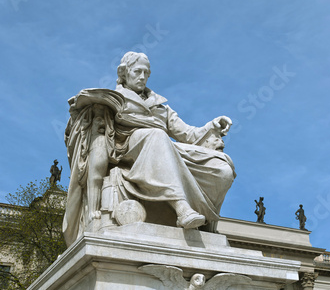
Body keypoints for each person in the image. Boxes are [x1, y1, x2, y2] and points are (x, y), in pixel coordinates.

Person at [63, 52, 236, 245]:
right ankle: (182, 208)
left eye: (146, 73)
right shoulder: (115, 98)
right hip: (127, 149)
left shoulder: (160, 106)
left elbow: (188, 135)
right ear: (124, 73)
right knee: (157, 135)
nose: (142, 76)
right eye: (137, 71)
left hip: (164, 150)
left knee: (222, 167)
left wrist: (213, 125)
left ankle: (207, 224)